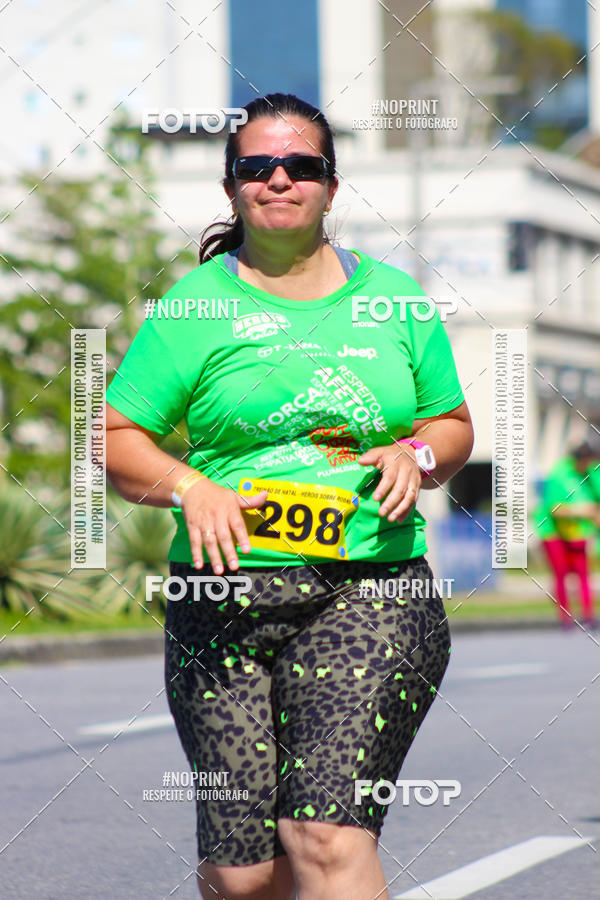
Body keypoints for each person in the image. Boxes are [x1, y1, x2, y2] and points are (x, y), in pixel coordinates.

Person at [105, 92, 474, 900]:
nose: (279, 179)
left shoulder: (394, 300)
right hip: (224, 596)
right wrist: (188, 486)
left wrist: (416, 451)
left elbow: (451, 425)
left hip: (371, 587)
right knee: (243, 880)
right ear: (232, 187)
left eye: (301, 166)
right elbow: (117, 439)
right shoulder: (194, 310)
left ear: (331, 188)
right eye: (256, 167)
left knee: (325, 837)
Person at [536, 441, 600, 630]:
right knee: (561, 573)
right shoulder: (559, 474)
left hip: (576, 531)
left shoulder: (590, 474)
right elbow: (555, 509)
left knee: (583, 572)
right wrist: (584, 511)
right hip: (553, 531)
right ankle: (565, 617)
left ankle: (589, 615)